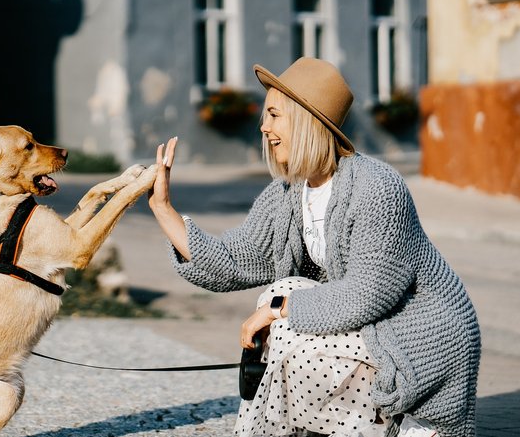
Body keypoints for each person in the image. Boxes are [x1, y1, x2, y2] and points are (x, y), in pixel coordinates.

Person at [147, 58, 480, 437]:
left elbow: (366, 295)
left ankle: (399, 420)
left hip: (418, 338)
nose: (264, 126)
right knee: (281, 296)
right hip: (370, 330)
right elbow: (234, 261)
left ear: (307, 119)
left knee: (283, 313)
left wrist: (277, 312)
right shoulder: (289, 193)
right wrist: (162, 207)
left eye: (274, 114)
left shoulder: (377, 187)